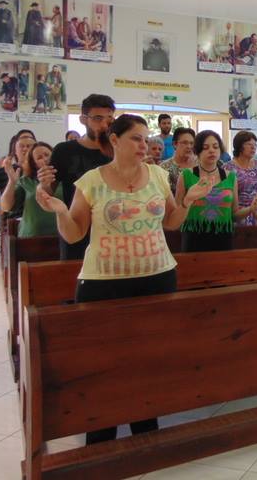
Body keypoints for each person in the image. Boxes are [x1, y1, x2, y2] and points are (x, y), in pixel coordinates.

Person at [35, 114, 211, 445]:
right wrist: (60, 211)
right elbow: (74, 234)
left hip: (157, 277)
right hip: (104, 282)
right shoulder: (91, 181)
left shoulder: (158, 175)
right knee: (104, 366)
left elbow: (171, 222)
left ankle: (145, 431)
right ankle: (101, 436)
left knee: (149, 361)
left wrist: (187, 201)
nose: (144, 145)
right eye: (136, 138)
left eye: (146, 138)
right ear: (114, 140)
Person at [38, 94, 115, 259]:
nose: (104, 125)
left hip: (113, 229)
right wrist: (44, 184)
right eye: (98, 118)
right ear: (83, 119)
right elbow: (47, 193)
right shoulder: (64, 150)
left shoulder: (119, 150)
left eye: (109, 119)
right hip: (75, 227)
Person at [176, 130, 257, 252]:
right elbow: (176, 213)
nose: (212, 151)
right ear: (197, 151)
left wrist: (251, 208)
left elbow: (234, 214)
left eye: (215, 147)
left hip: (223, 238)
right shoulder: (186, 175)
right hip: (193, 237)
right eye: (206, 147)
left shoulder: (231, 177)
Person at [0, 142, 62, 237]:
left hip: (63, 235)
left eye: (47, 155)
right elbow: (6, 207)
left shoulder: (66, 178)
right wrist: (12, 182)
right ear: (34, 164)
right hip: (32, 237)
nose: (45, 159)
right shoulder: (26, 180)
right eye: (39, 158)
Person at [224, 131, 257, 226]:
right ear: (239, 146)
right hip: (238, 219)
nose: (253, 147)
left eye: (255, 144)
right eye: (249, 144)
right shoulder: (228, 168)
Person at [160, 127, 197, 195]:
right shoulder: (164, 167)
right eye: (185, 143)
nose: (189, 146)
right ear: (175, 144)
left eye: (191, 143)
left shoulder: (200, 164)